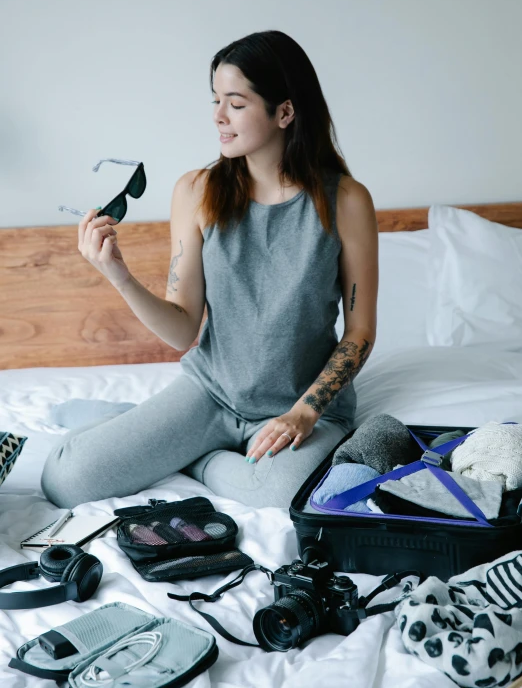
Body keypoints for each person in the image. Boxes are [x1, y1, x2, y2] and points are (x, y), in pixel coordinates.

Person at [41, 30, 378, 510]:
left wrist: (305, 413)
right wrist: (118, 272)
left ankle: (186, 456)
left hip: (302, 408)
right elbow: (182, 330)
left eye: (236, 103)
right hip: (211, 394)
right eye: (215, 100)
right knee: (65, 480)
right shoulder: (196, 191)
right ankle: (185, 445)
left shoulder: (346, 200)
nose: (218, 116)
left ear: (284, 112)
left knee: (283, 496)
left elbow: (360, 331)